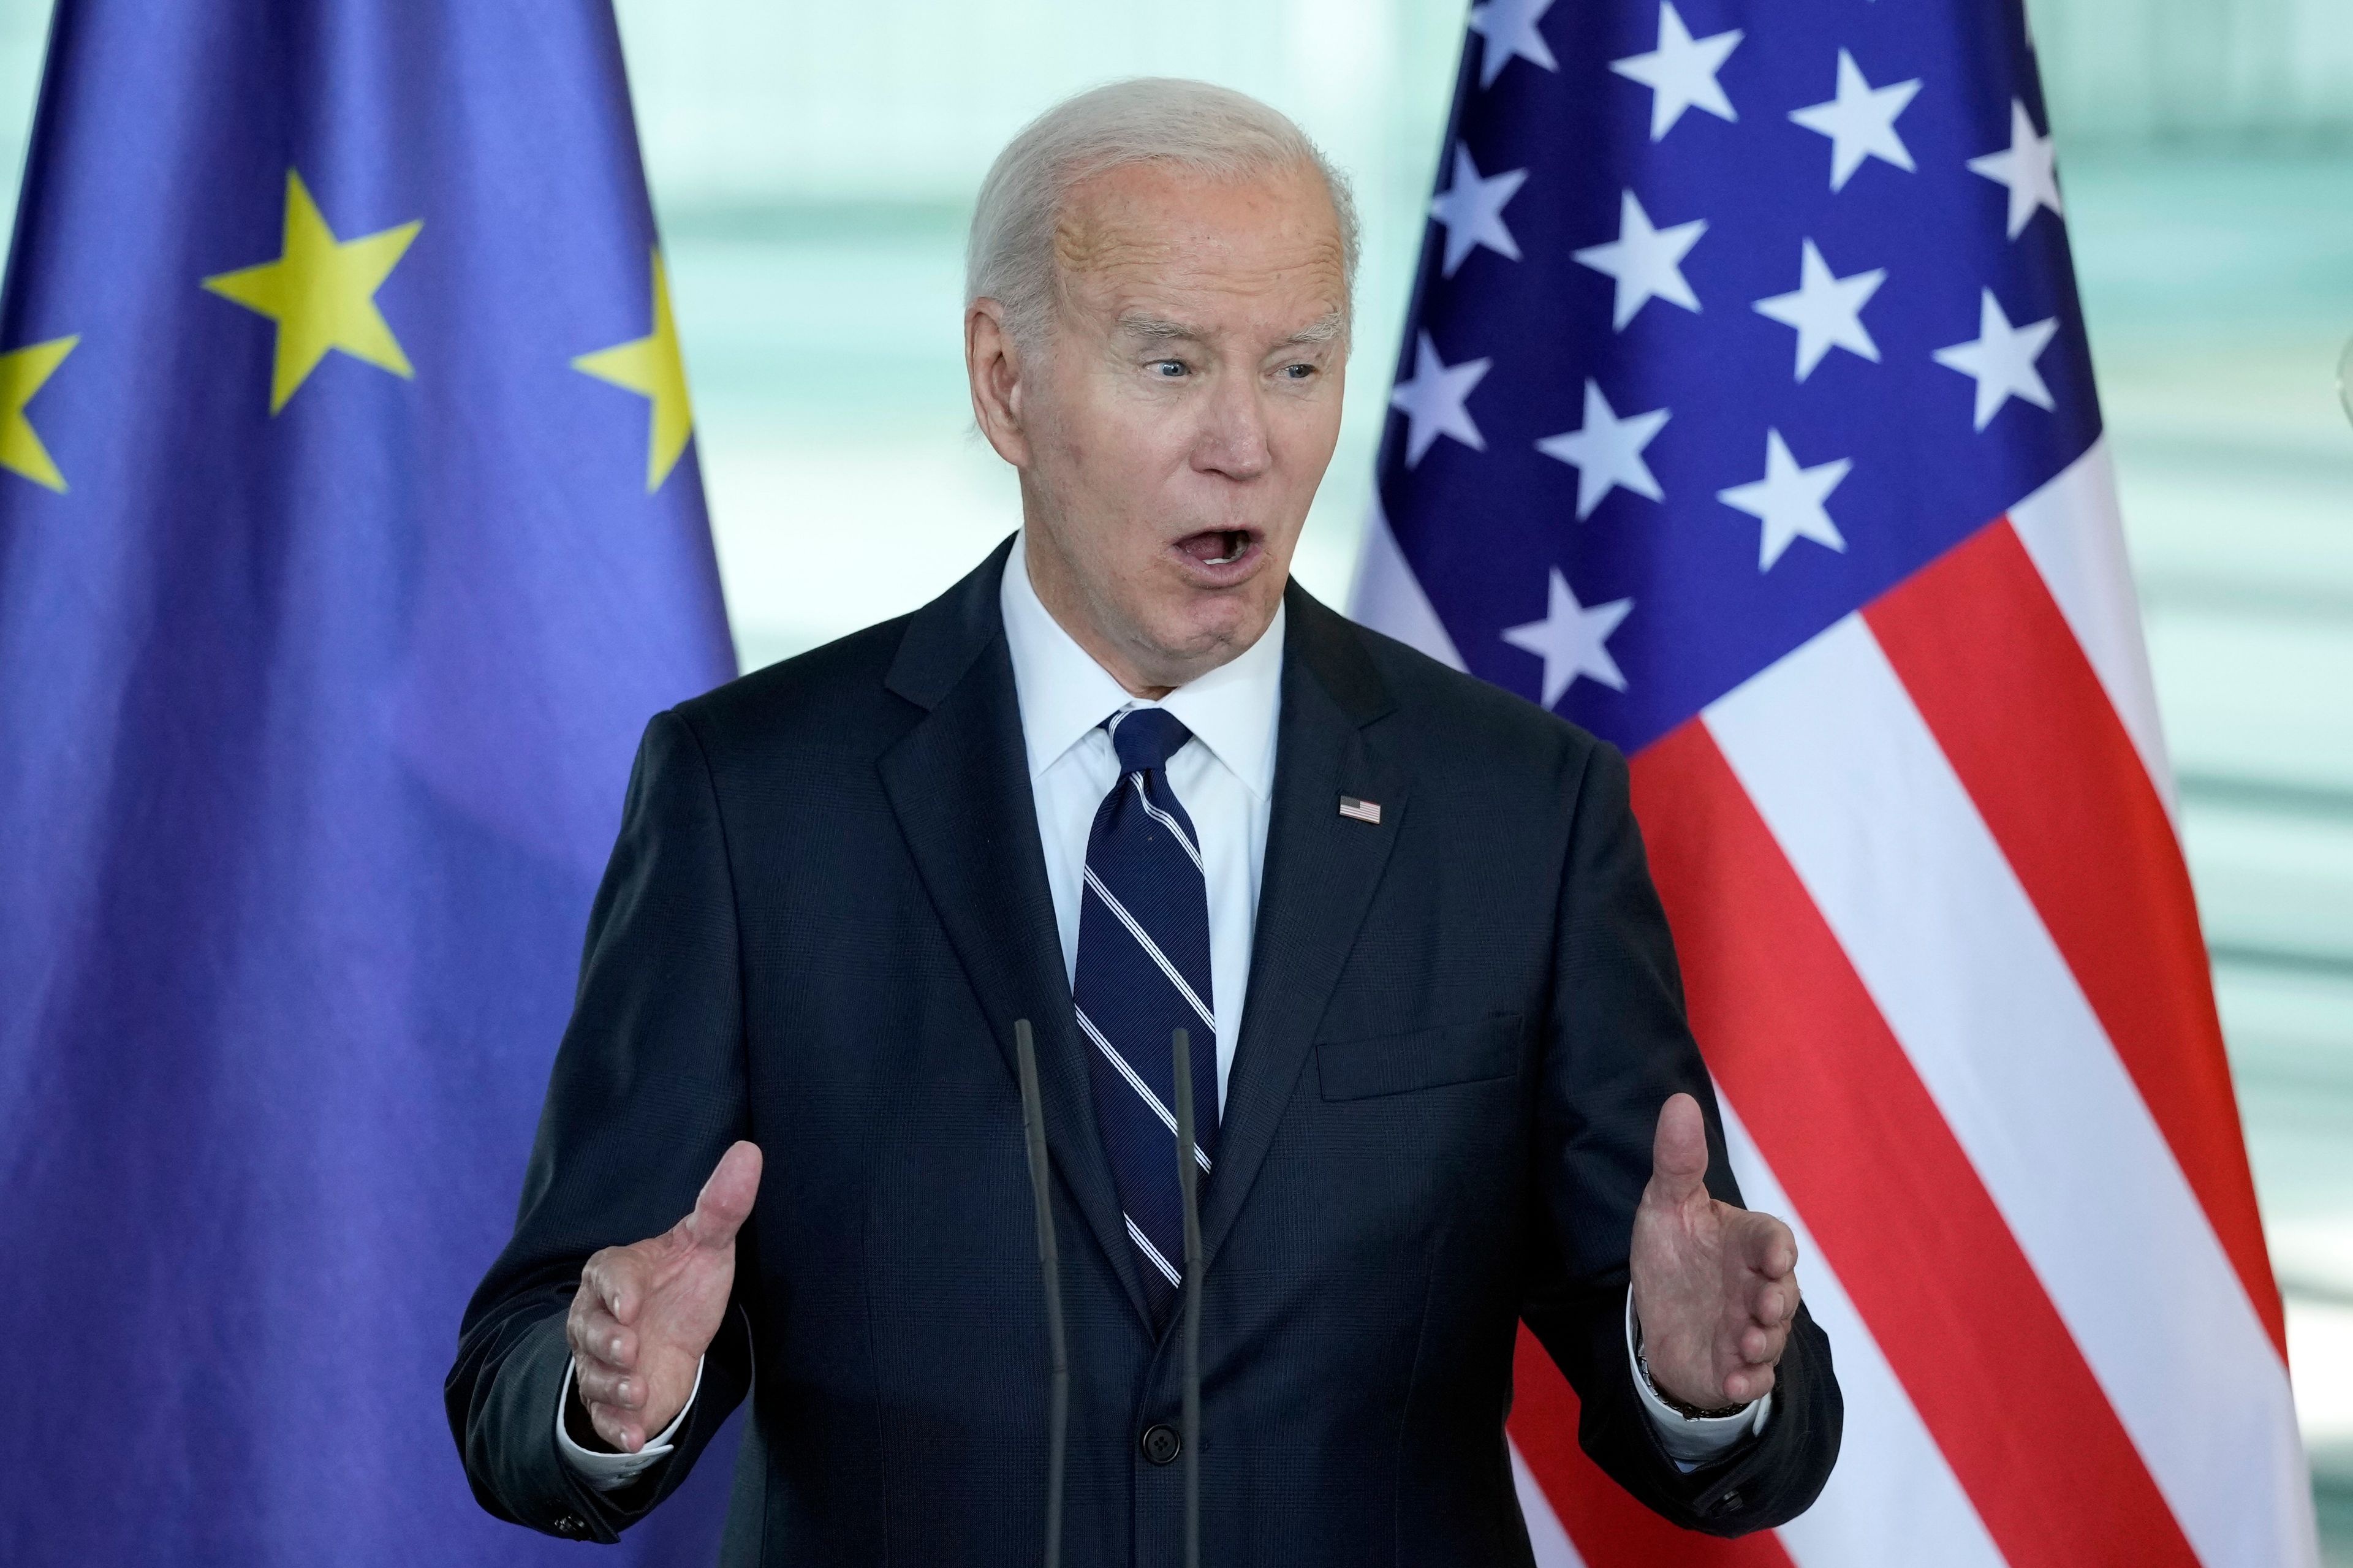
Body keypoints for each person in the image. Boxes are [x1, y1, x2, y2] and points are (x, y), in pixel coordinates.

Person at [447, 77, 1840, 1566]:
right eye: (1171, 364)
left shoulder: (1520, 814)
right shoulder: (754, 800)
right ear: (1006, 383)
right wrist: (602, 1395)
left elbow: (1703, 1376)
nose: (1244, 440)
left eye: (1298, 367)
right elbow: (523, 1364)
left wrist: (1699, 1380)